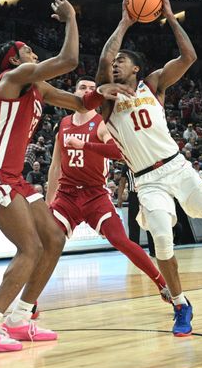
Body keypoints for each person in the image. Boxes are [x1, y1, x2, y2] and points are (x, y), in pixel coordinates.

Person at [0, 0, 128, 352]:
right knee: (30, 247)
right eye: (27, 51)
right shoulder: (12, 77)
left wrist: (103, 91)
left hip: (13, 175)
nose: (33, 55)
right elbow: (68, 60)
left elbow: (80, 102)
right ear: (14, 59)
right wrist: (71, 18)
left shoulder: (38, 88)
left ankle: (20, 317)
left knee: (54, 239)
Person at [97, 0, 202, 337]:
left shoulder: (153, 84)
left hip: (176, 166)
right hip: (147, 180)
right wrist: (126, 21)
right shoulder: (107, 99)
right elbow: (103, 60)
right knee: (160, 239)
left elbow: (189, 56)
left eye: (123, 61)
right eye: (116, 62)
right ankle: (180, 304)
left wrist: (171, 17)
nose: (117, 64)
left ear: (138, 68)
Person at [46, 77, 169, 302]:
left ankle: (161, 282)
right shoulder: (63, 124)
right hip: (67, 195)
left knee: (120, 240)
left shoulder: (103, 123)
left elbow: (118, 151)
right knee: (44, 242)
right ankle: (30, 303)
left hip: (95, 194)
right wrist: (48, 203)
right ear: (75, 93)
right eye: (82, 87)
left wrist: (88, 145)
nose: (87, 91)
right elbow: (55, 166)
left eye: (92, 89)